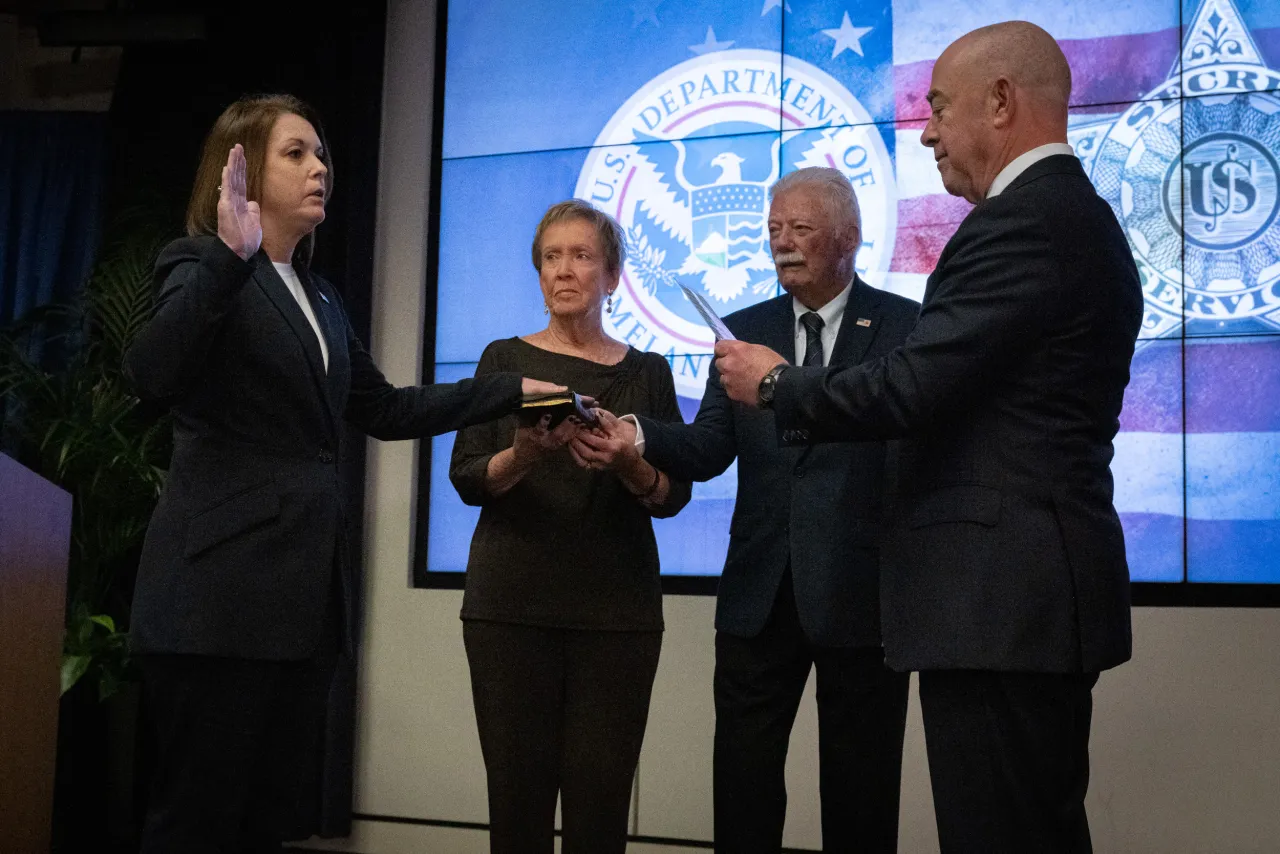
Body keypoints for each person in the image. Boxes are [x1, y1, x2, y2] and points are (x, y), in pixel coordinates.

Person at [714, 22, 1142, 854]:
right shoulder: (1068, 217)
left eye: (939, 107)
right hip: (1015, 606)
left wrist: (774, 384)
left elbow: (912, 387)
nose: (929, 130)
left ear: (1003, 102)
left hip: (999, 606)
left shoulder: (1025, 222)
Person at [122, 94, 561, 853]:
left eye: (321, 153)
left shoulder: (319, 295)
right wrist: (229, 261)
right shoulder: (199, 264)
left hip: (301, 603)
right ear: (241, 167)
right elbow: (149, 373)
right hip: (218, 599)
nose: (320, 166)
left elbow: (384, 408)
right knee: (196, 820)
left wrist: (509, 387)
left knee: (266, 823)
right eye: (296, 152)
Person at [576, 167, 916, 853]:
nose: (781, 244)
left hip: (862, 594)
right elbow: (706, 447)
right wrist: (636, 434)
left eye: (800, 229)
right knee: (743, 784)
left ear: (848, 237)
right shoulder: (746, 329)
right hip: (759, 592)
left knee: (862, 789)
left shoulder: (906, 324)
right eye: (773, 231)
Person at [448, 199, 691, 854]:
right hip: (510, 611)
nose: (564, 270)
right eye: (552, 257)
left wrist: (630, 464)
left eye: (582, 255)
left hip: (616, 618)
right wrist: (525, 455)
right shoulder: (502, 360)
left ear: (611, 277)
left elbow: (672, 497)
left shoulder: (648, 373)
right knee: (517, 815)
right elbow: (468, 476)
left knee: (599, 817)